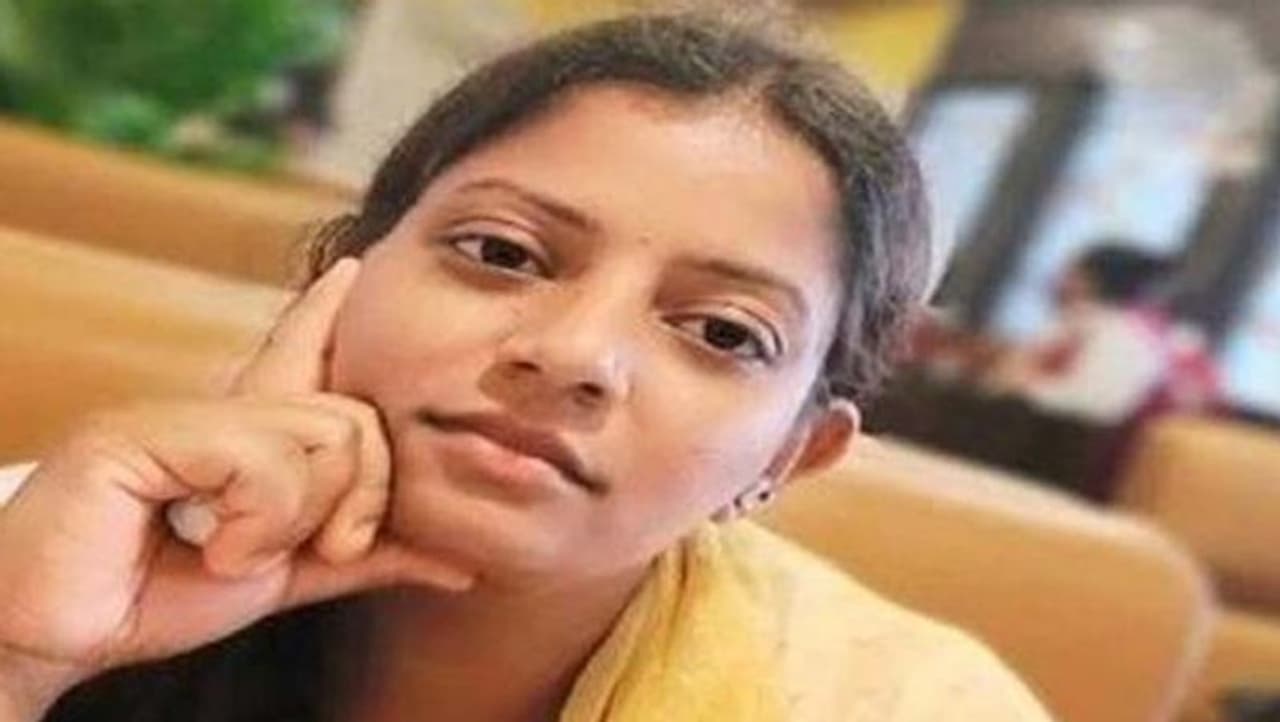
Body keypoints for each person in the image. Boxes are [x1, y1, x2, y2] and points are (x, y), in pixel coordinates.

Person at [0, 11, 1054, 722]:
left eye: (725, 333)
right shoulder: (56, 538)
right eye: (502, 253)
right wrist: (26, 662)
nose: (574, 353)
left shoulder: (903, 703)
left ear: (792, 452)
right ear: (338, 277)